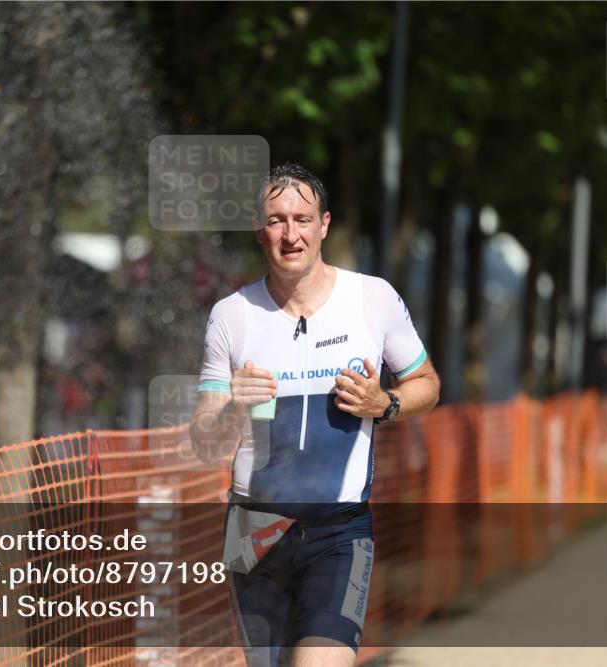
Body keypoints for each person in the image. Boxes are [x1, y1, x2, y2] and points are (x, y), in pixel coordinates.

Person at [190, 163, 440, 667]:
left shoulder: (373, 299)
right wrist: (237, 405)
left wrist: (384, 404)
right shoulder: (232, 315)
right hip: (253, 531)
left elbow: (427, 384)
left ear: (324, 223)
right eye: (276, 220)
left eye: (301, 219)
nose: (290, 234)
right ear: (260, 231)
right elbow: (204, 442)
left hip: (339, 532)